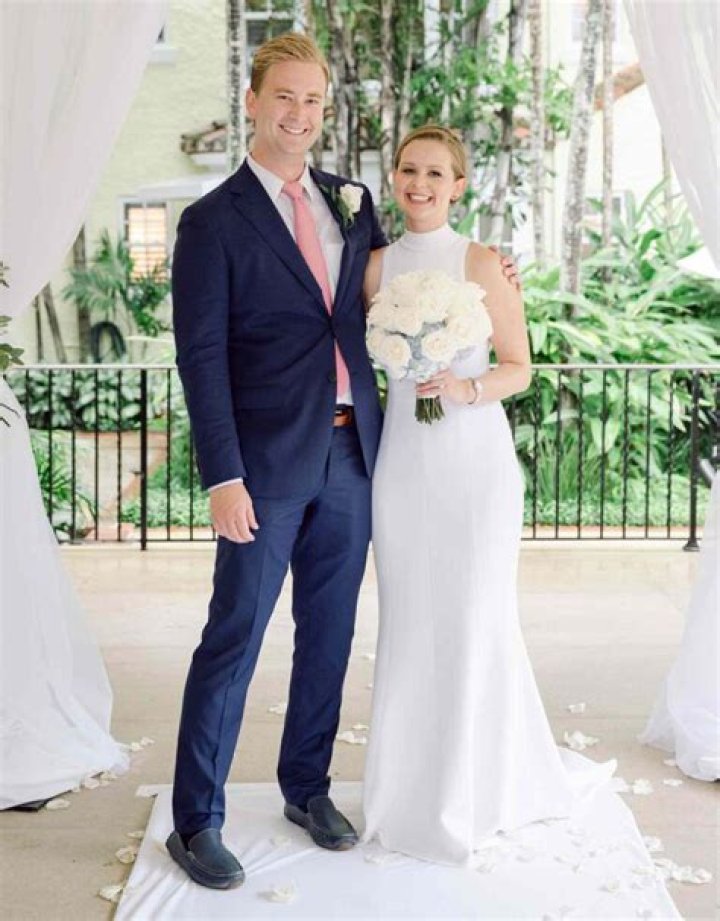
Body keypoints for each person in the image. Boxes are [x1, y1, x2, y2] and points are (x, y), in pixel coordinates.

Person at [167, 35, 519, 889]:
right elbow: (201, 357)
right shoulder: (211, 222)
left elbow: (413, 279)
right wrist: (222, 475)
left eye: (314, 100)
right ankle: (197, 819)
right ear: (253, 102)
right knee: (235, 634)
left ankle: (307, 786)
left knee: (329, 632)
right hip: (262, 466)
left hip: (357, 455)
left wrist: (496, 273)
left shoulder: (351, 206)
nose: (300, 114)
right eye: (285, 96)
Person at [361, 125, 615, 866]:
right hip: (403, 463)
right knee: (410, 619)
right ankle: (408, 792)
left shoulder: (480, 262)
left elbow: (519, 365)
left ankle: (479, 790)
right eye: (408, 170)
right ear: (394, 177)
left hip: (473, 463)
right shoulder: (373, 268)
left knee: (475, 616)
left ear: (459, 185)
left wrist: (464, 387)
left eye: (435, 173)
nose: (419, 184)